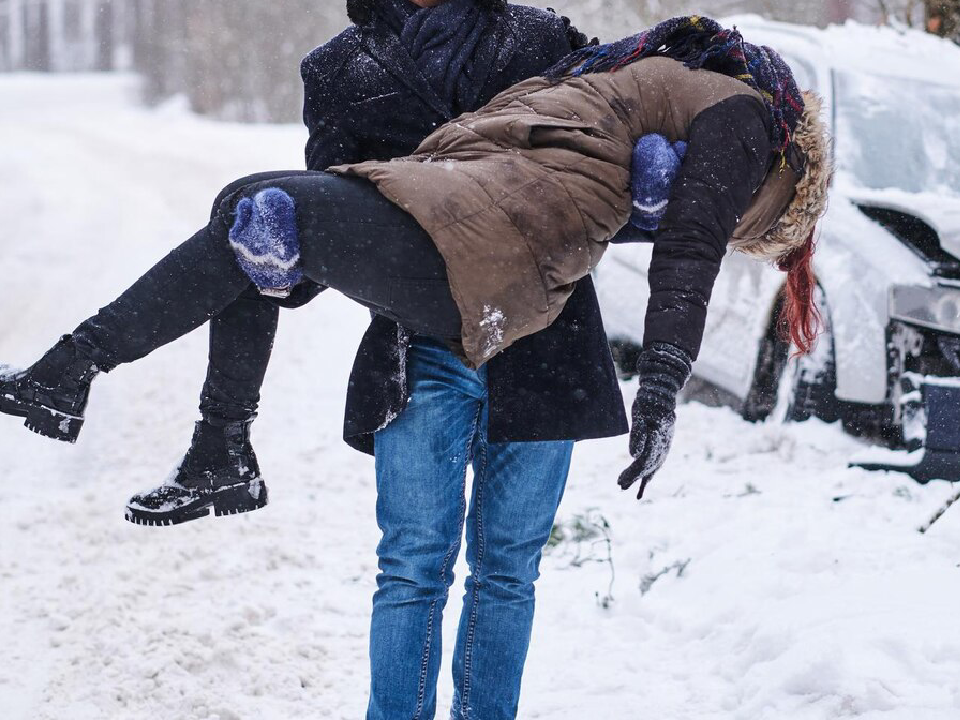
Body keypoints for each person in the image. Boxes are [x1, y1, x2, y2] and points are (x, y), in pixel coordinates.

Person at [0, 15, 831, 718]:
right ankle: (216, 438)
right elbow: (329, 224)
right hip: (421, 335)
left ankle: (193, 431)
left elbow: (640, 201)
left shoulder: (544, 37)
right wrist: (285, 268)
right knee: (410, 566)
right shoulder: (339, 68)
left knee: (506, 572)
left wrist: (660, 359)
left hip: (542, 339)